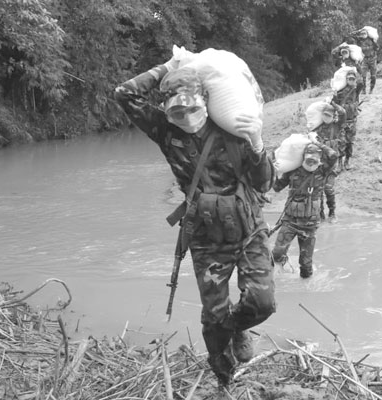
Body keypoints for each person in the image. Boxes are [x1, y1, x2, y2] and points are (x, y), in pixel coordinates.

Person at [114, 56, 276, 388]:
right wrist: (167, 66)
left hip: (249, 231)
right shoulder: (165, 132)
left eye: (192, 108)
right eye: (178, 111)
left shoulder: (233, 129)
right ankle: (223, 380)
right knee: (213, 320)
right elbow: (124, 94)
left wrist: (258, 144)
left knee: (261, 303)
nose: (187, 117)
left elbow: (264, 183)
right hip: (205, 237)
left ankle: (239, 327)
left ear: (205, 101)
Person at [271, 140, 338, 278]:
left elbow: (333, 156)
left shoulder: (322, 171)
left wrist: (317, 143)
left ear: (319, 159)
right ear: (303, 158)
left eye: (315, 159)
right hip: (290, 221)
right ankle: (281, 270)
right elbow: (277, 187)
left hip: (310, 225)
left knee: (306, 266)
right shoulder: (293, 172)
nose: (311, 162)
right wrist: (272, 170)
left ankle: (306, 285)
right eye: (309, 159)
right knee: (276, 254)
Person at [308, 101, 345, 221]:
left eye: (328, 115)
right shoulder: (317, 127)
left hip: (332, 162)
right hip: (319, 162)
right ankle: (321, 214)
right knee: (318, 189)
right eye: (324, 115)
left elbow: (343, 113)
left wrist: (334, 104)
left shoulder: (337, 126)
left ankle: (332, 212)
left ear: (333, 116)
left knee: (328, 188)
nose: (326, 117)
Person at [332, 68, 364, 171]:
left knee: (350, 143)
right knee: (341, 143)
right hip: (342, 122)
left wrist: (356, 69)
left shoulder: (356, 90)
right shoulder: (341, 91)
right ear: (346, 79)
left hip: (352, 121)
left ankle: (347, 162)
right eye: (349, 79)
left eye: (352, 79)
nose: (351, 80)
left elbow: (361, 82)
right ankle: (340, 163)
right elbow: (334, 103)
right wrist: (336, 97)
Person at [350, 28, 379, 94]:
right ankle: (364, 90)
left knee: (373, 76)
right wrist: (358, 31)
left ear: (367, 34)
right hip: (364, 59)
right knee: (363, 76)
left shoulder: (372, 40)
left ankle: (371, 89)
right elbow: (352, 35)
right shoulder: (359, 40)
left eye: (364, 33)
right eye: (362, 34)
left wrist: (374, 44)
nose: (363, 35)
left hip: (372, 59)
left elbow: (377, 48)